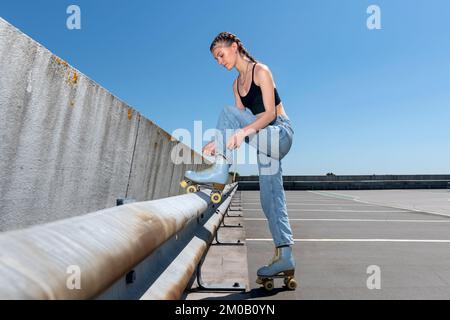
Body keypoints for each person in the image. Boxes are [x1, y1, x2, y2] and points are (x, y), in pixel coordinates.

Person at [184, 32, 296, 285]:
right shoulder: (235, 85)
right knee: (270, 199)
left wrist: (242, 131)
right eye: (215, 59)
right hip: (263, 143)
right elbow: (238, 119)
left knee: (227, 111)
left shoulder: (260, 71)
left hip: (280, 133)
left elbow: (267, 115)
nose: (219, 61)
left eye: (221, 55)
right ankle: (285, 255)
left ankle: (220, 171)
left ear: (234, 48)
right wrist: (219, 141)